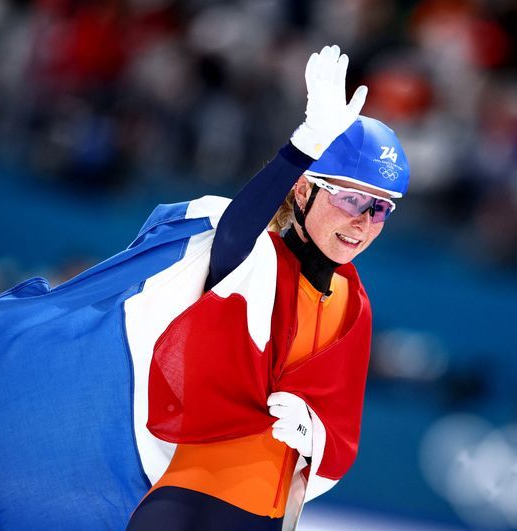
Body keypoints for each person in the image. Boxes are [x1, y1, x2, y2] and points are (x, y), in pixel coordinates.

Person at [126, 45, 410, 531]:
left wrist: (315, 436)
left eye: (378, 208)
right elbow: (236, 231)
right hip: (187, 510)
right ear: (303, 190)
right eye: (349, 198)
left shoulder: (355, 305)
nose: (361, 222)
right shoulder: (258, 263)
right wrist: (305, 144)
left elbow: (339, 431)